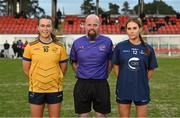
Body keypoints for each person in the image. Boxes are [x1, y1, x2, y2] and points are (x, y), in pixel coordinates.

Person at [22, 15, 68, 117]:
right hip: (36, 89)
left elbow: (63, 70)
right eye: (42, 26)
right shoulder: (30, 47)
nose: (45, 29)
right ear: (38, 27)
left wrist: (55, 78)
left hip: (55, 89)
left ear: (52, 28)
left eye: (48, 26)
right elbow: (26, 70)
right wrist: (37, 79)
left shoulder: (60, 47)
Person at [112, 18, 158, 117]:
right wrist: (122, 79)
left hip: (141, 89)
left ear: (140, 29)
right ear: (126, 30)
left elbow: (151, 69)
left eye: (134, 28)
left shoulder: (148, 48)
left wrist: (143, 80)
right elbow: (115, 65)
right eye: (129, 28)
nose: (132, 31)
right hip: (124, 88)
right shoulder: (120, 47)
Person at [70, 14, 113, 117]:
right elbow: (73, 61)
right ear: (84, 26)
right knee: (83, 115)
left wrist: (104, 73)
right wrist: (81, 73)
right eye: (89, 25)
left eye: (95, 25)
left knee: (101, 115)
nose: (92, 27)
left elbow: (111, 60)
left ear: (99, 26)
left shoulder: (107, 42)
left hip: (101, 84)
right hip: (82, 83)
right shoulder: (77, 42)